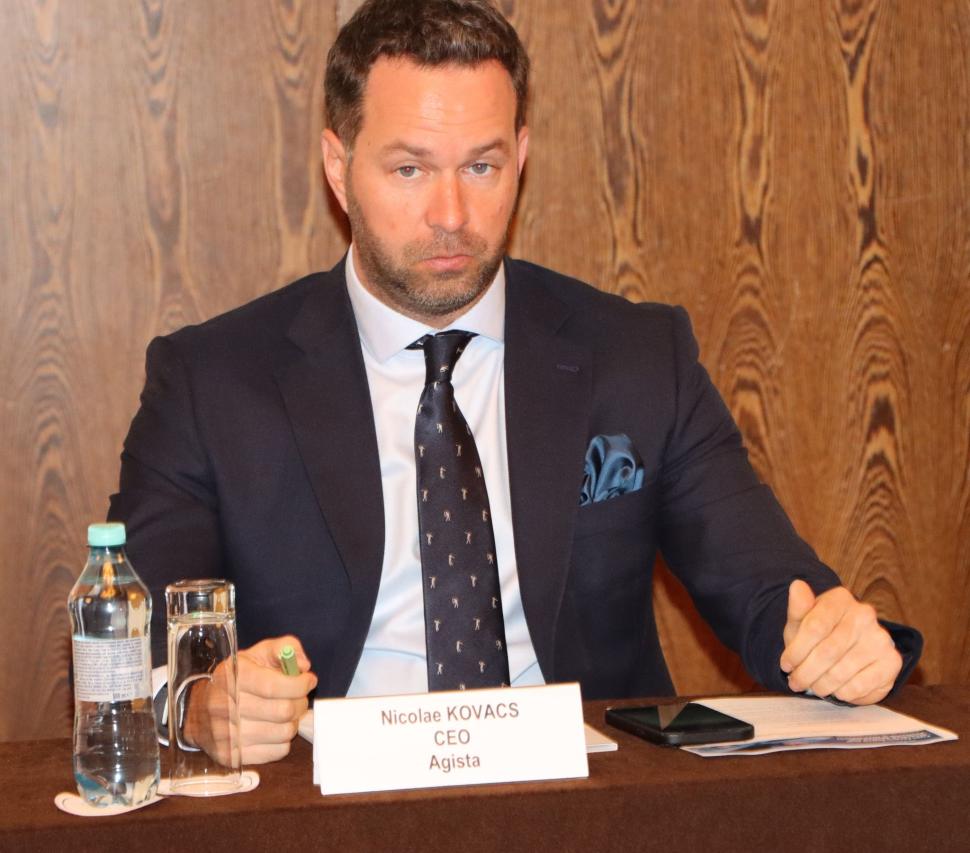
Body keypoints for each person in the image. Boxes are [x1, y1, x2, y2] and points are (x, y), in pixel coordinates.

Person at [109, 0, 920, 765]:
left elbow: (775, 592)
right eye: (409, 169)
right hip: (330, 802)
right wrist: (199, 704)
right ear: (338, 164)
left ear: (521, 157)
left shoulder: (637, 356)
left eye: (482, 165)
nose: (452, 213)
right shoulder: (212, 382)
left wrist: (839, 643)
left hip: (585, 803)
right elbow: (132, 641)